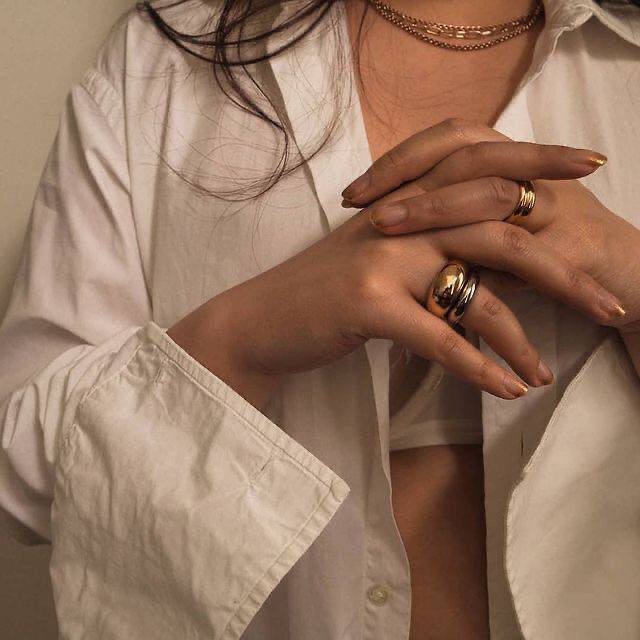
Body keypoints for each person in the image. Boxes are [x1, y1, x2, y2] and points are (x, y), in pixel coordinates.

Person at [1, 0, 639, 637]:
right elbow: (25, 484)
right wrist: (248, 335)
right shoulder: (160, 65)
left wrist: (628, 273)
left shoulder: (626, 66)